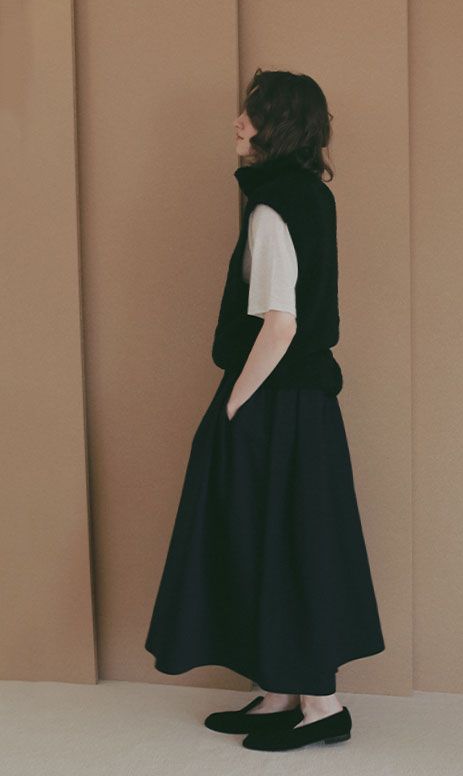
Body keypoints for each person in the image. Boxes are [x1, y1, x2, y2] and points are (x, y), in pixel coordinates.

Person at [144, 68, 385, 752]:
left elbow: (281, 324)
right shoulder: (309, 195)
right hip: (301, 403)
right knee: (283, 540)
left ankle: (322, 706)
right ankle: (282, 692)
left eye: (249, 113)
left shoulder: (274, 205)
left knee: (286, 542)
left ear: (276, 124)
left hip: (278, 401)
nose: (237, 122)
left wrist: (233, 407)